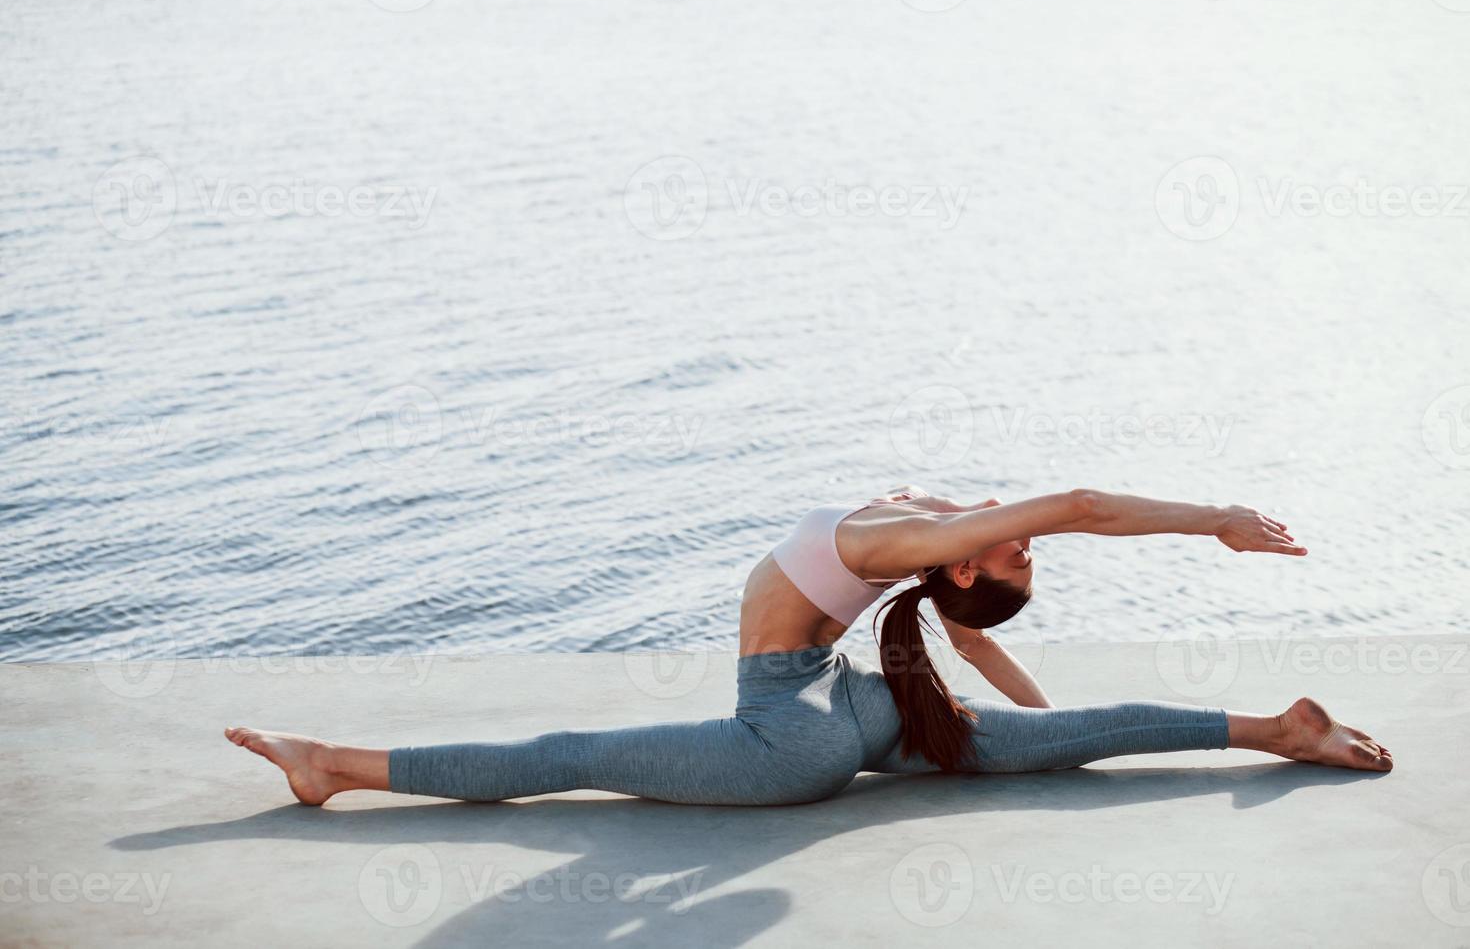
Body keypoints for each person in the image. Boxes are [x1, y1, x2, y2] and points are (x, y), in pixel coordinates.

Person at [225, 487, 1391, 806]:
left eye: (1020, 555)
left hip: (795, 735)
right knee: (1042, 742)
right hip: (852, 711)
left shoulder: (926, 540)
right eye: (1022, 557)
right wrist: (1216, 521)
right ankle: (1269, 729)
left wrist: (1219, 522)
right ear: (969, 568)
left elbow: (1064, 521)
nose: (1028, 547)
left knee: (568, 748)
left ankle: (337, 761)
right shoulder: (927, 537)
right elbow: (1063, 524)